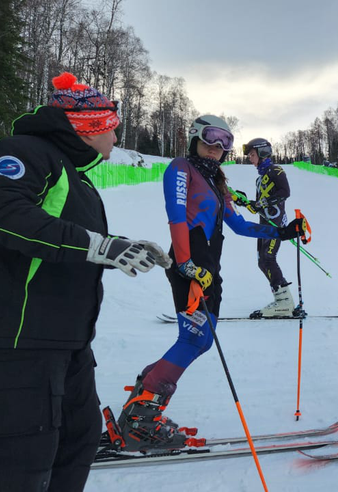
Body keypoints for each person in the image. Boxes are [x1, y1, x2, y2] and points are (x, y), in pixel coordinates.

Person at [0, 72, 171, 491]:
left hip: (71, 343)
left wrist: (120, 248)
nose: (116, 139)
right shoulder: (24, 153)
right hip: (24, 343)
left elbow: (69, 242)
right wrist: (100, 247)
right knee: (26, 460)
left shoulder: (75, 175)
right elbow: (8, 213)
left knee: (77, 444)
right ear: (89, 126)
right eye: (112, 128)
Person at [116, 116, 305, 451]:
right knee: (193, 340)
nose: (217, 149)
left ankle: (142, 398)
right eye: (211, 140)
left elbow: (240, 225)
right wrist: (186, 265)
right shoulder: (180, 168)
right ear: (194, 137)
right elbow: (176, 215)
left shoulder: (216, 179)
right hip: (189, 267)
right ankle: (141, 418)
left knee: (200, 342)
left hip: (209, 271)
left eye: (225, 143)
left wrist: (282, 232)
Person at [241, 138, 297, 318]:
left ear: (262, 152)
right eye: (249, 155)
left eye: (252, 154)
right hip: (264, 224)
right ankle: (281, 299)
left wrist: (262, 203)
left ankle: (284, 303)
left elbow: (285, 192)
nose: (250, 158)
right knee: (262, 261)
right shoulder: (260, 178)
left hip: (276, 224)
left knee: (268, 257)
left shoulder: (276, 170)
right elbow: (261, 203)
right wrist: (251, 204)